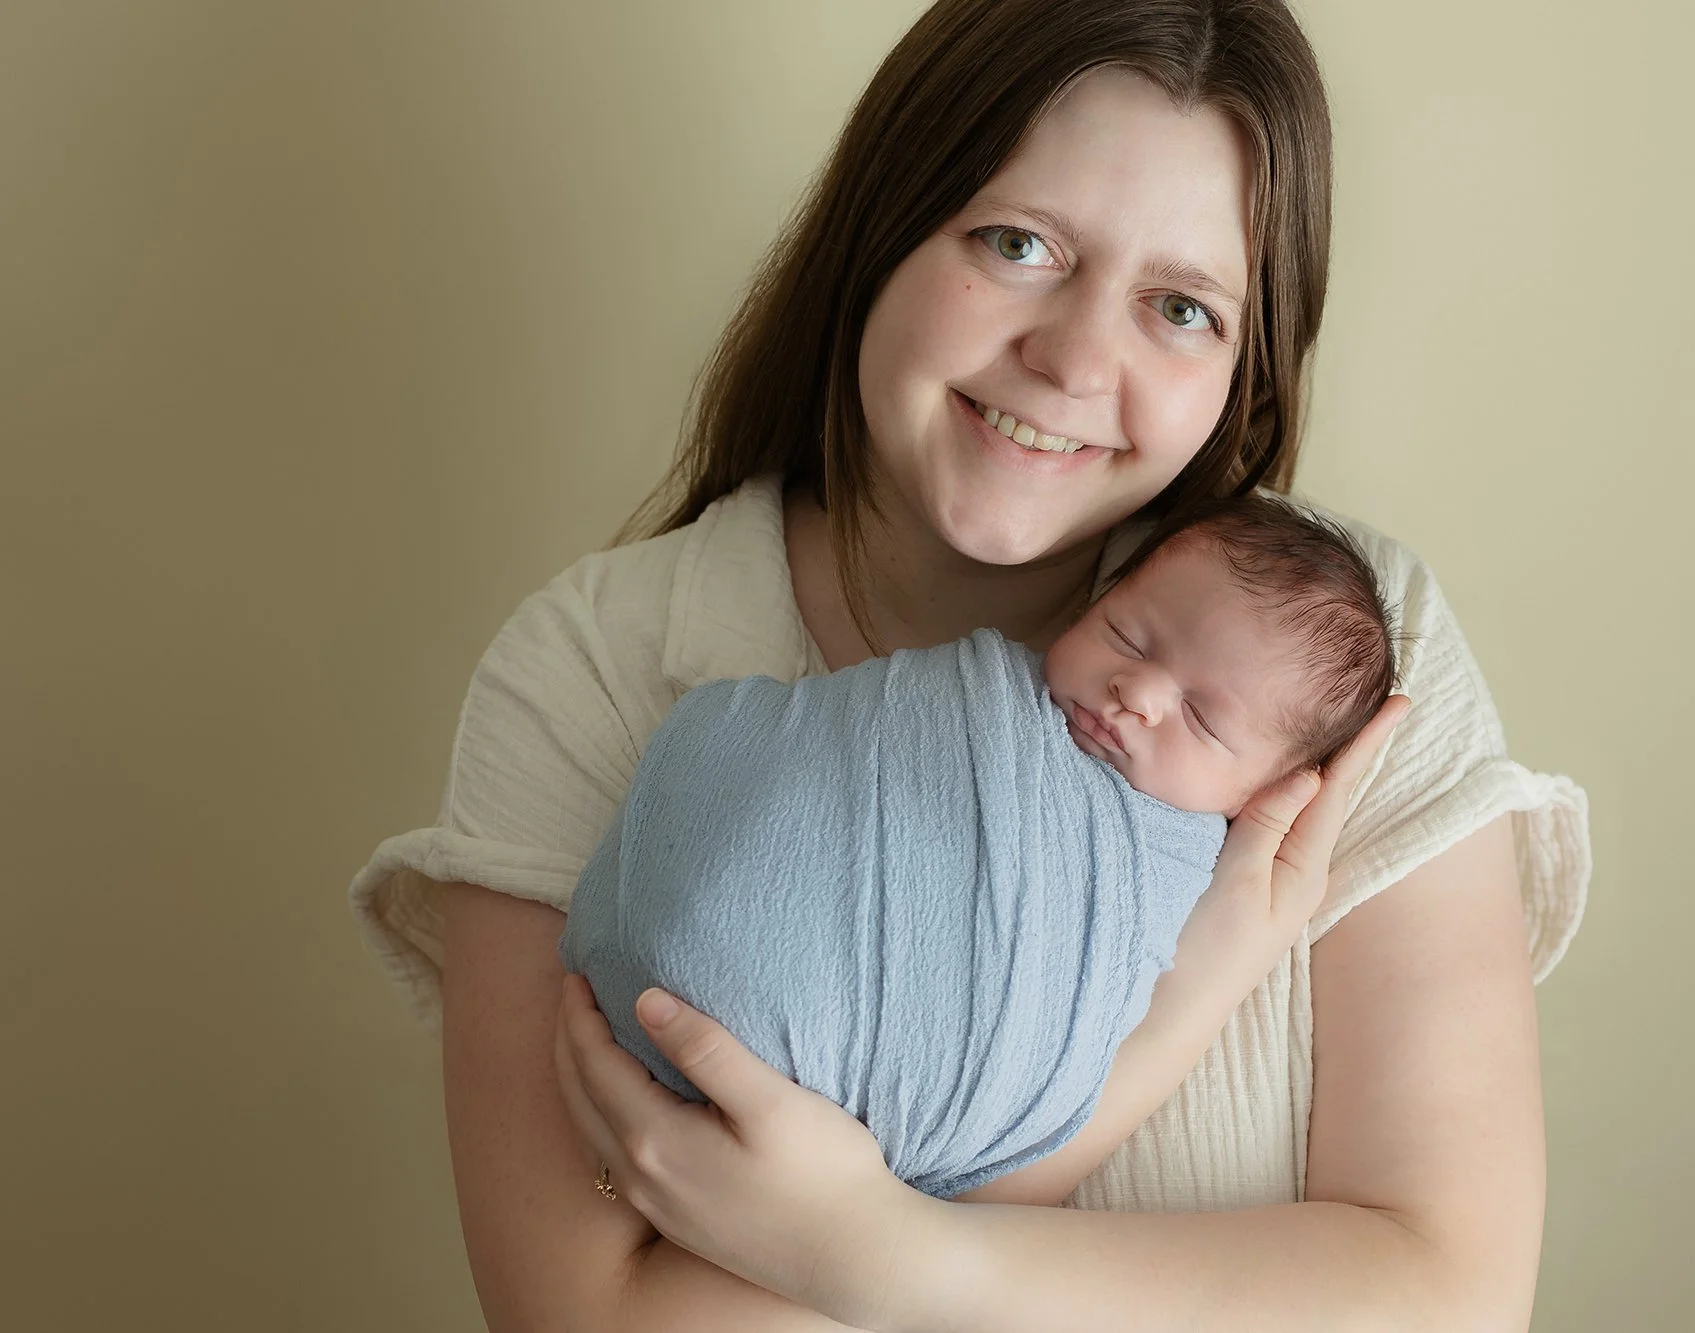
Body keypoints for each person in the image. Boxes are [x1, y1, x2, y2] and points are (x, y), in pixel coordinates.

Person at [348, 0, 1591, 1327]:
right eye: (1020, 244)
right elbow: (587, 1319)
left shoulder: (1343, 663)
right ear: (881, 230)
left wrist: (889, 1256)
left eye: (1181, 307)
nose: (1073, 360)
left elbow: (1448, 1293)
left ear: (1246, 371)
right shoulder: (595, 671)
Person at [557, 496, 1396, 1201]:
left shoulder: (1177, 862)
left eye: (1203, 718)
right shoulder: (983, 702)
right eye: (1126, 636)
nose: (1135, 692)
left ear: (1264, 794)